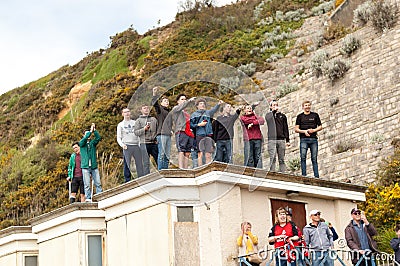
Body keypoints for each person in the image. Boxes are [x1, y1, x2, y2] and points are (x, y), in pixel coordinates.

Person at [190, 98, 223, 166]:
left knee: (208, 154)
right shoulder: (194, 114)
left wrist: (218, 104)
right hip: (199, 135)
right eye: (201, 104)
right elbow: (191, 125)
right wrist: (199, 124)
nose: (203, 105)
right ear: (197, 106)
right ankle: (200, 169)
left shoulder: (208, 112)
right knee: (200, 153)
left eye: (204, 104)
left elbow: (214, 110)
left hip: (208, 135)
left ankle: (208, 170)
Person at [294, 100, 323, 178]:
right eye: (306, 105)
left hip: (313, 139)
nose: (307, 106)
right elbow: (296, 129)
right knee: (303, 157)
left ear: (310, 106)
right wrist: (304, 131)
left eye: (308, 105)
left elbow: (320, 126)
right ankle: (304, 175)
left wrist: (314, 130)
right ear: (303, 107)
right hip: (303, 139)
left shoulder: (315, 115)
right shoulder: (299, 116)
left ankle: (316, 176)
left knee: (314, 158)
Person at [117, 108, 144, 182]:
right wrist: (122, 145)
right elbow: (118, 137)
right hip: (127, 146)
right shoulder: (120, 125)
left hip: (136, 145)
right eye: (125, 112)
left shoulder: (135, 123)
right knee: (127, 164)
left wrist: (139, 144)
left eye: (128, 112)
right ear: (122, 114)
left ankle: (141, 178)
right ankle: (127, 180)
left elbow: (138, 134)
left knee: (139, 163)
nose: (127, 113)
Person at [170, 94, 196, 169]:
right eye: (182, 99)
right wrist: (189, 101)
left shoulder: (186, 113)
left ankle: (186, 168)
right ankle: (181, 168)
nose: (184, 100)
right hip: (181, 131)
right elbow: (181, 107)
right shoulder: (176, 109)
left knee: (187, 152)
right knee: (181, 150)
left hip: (188, 133)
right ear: (178, 101)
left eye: (185, 99)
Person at [79, 123, 102, 202]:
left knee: (98, 182)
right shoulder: (82, 143)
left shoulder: (92, 143)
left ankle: (100, 196)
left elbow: (98, 138)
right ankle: (88, 198)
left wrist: (94, 131)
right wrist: (90, 131)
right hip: (85, 167)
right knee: (87, 184)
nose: (88, 136)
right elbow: (84, 140)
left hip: (93, 166)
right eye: (86, 134)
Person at [265, 100, 290, 172]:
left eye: (276, 105)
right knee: (272, 158)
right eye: (273, 105)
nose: (275, 106)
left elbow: (286, 128)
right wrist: (273, 111)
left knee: (281, 159)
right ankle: (272, 173)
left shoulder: (282, 116)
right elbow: (268, 119)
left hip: (281, 140)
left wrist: (287, 140)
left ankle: (283, 173)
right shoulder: (268, 115)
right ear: (270, 107)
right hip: (272, 140)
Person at [151, 87, 172, 170]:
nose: (167, 102)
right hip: (161, 134)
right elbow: (155, 103)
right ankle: (161, 170)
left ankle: (166, 170)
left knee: (167, 155)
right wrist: (154, 94)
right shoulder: (160, 110)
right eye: (165, 101)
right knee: (162, 154)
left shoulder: (169, 112)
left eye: (168, 101)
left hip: (168, 134)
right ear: (161, 103)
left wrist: (171, 130)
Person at [134, 105, 158, 175]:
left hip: (154, 143)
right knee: (146, 163)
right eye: (144, 108)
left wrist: (156, 138)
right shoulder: (138, 121)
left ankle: (162, 177)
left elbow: (158, 130)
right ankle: (146, 180)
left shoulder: (154, 119)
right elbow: (136, 132)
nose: (146, 109)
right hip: (144, 143)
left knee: (158, 160)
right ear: (141, 110)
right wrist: (143, 129)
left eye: (147, 108)